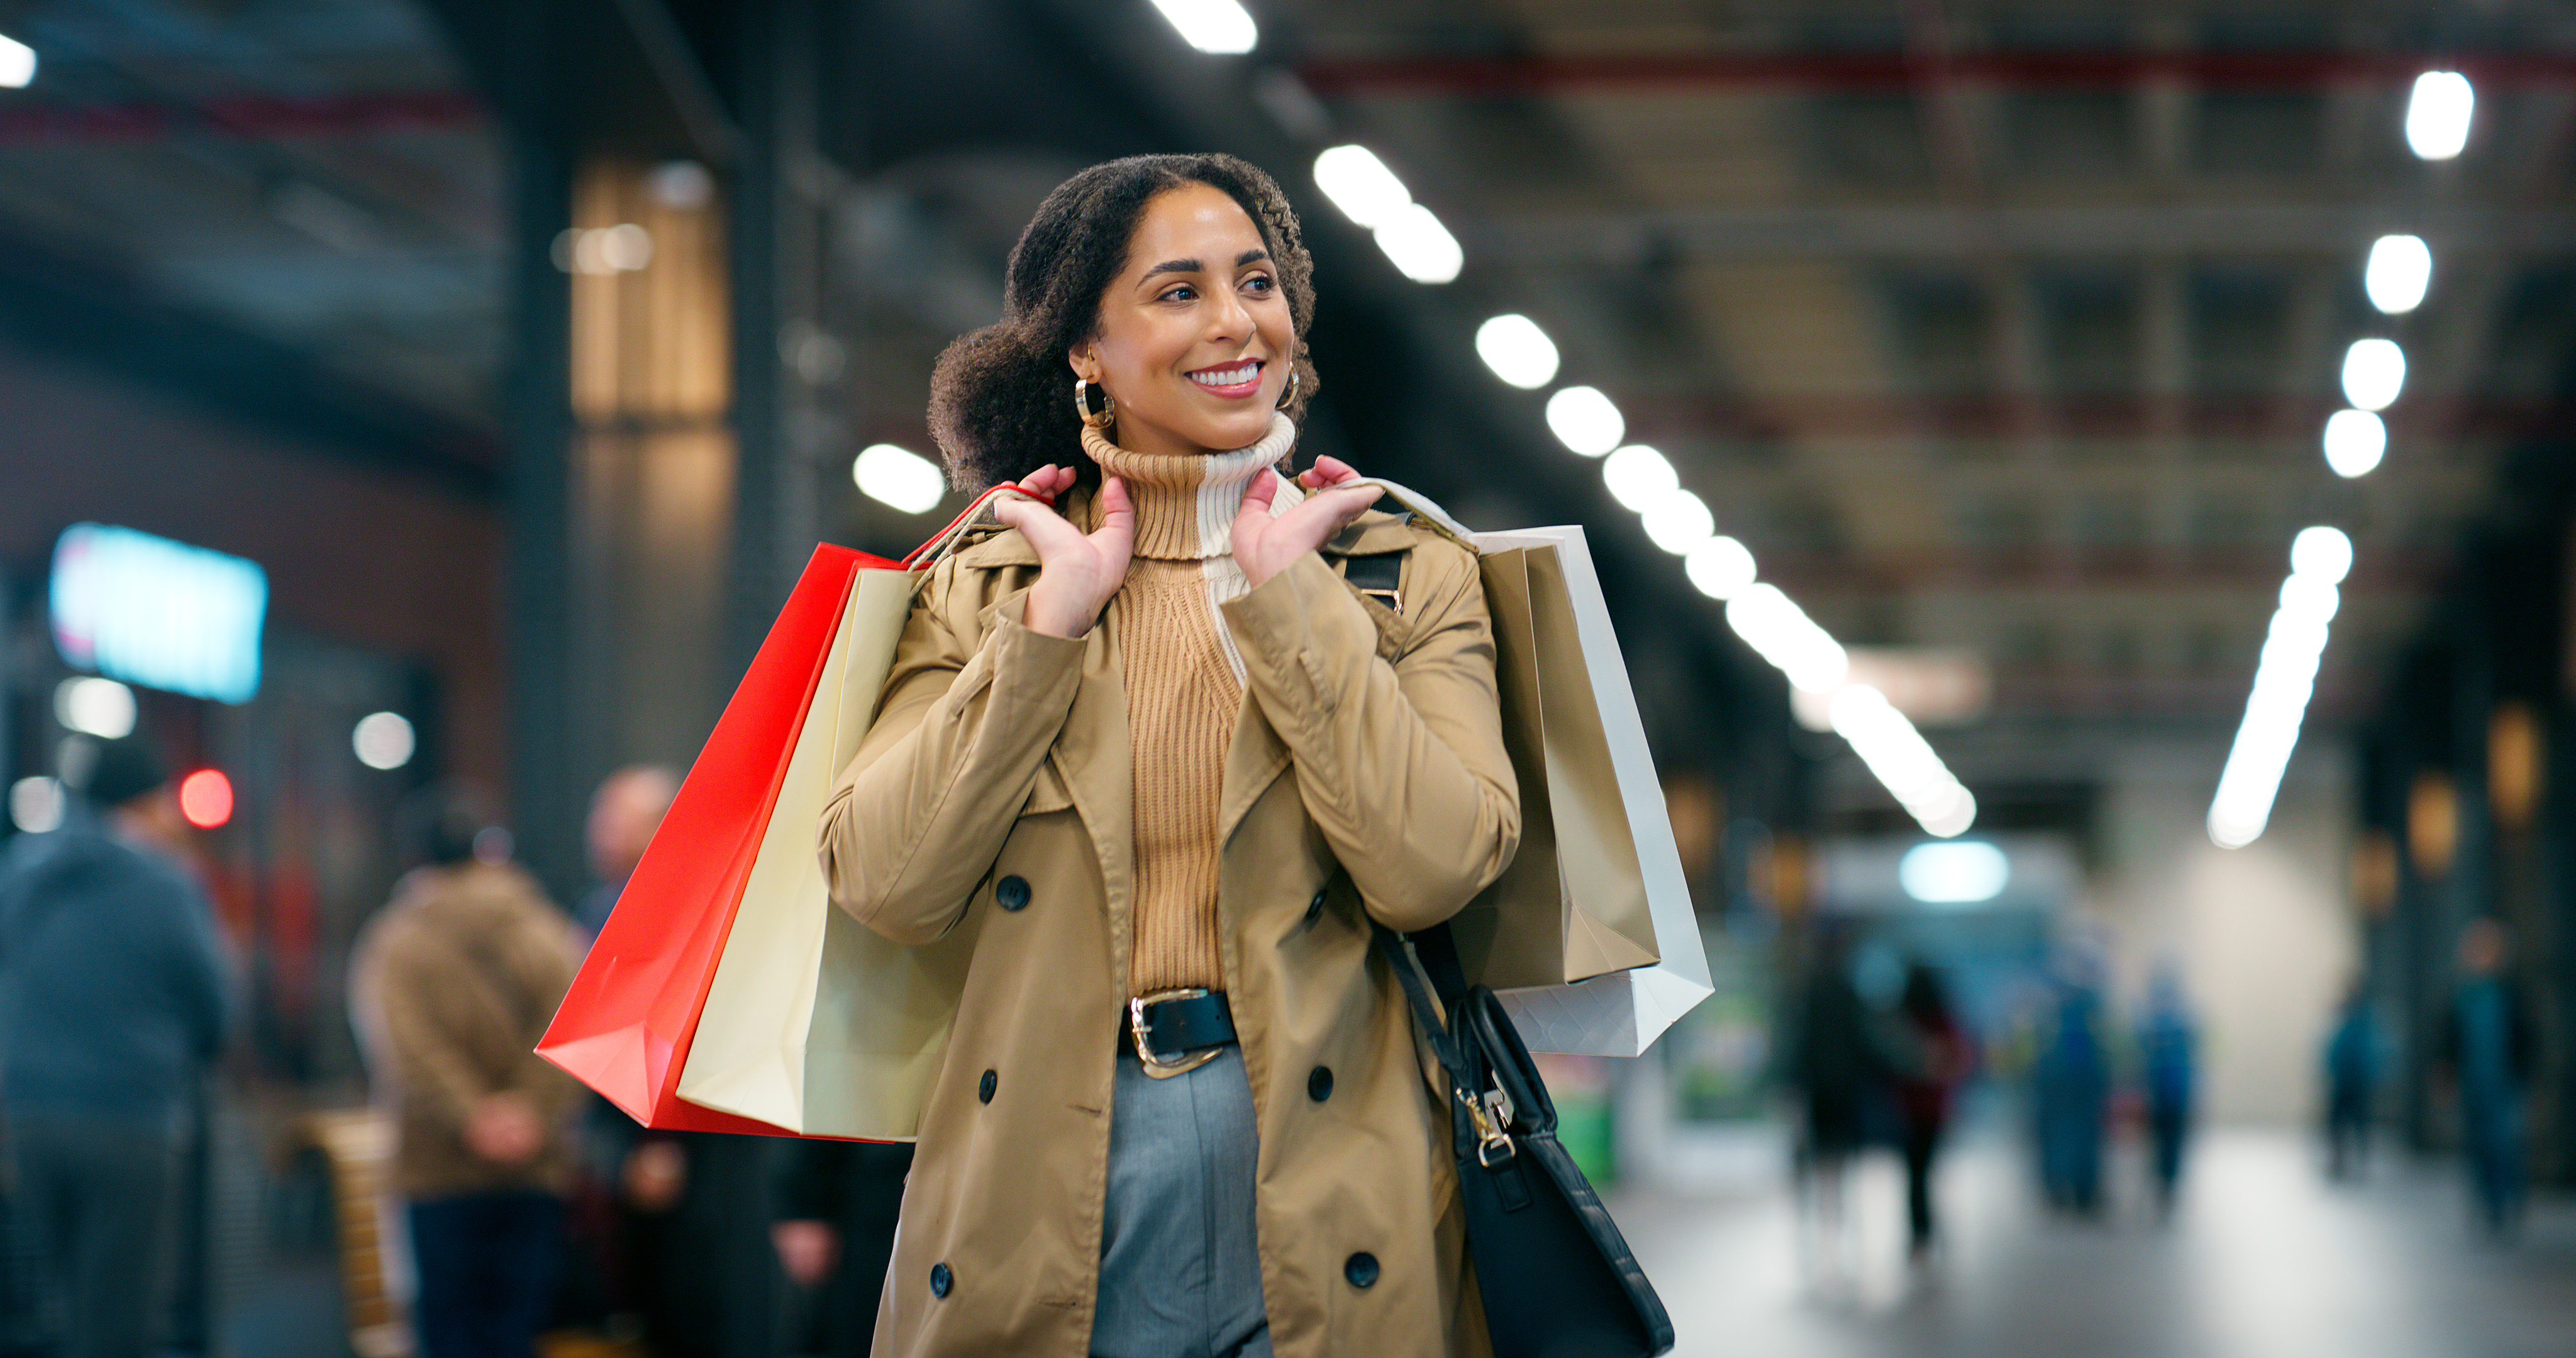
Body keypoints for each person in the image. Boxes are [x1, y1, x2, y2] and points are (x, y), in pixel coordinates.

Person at [819, 154, 1521, 1358]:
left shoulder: (1405, 570)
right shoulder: (987, 584)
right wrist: (1046, 632)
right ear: (1084, 348)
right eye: (1178, 291)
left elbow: (1435, 869)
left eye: (1256, 281)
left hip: (1332, 1157)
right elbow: (885, 877)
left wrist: (1294, 606)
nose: (1236, 321)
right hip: (1048, 1163)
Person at [0, 736, 228, 1358]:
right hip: (130, 1116)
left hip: (31, 1117)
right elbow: (214, 1007)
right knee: (121, 1315)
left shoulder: (21, 870)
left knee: (64, 1301)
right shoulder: (165, 883)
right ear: (148, 800)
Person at [350, 790, 584, 1358]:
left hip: (438, 1168)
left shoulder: (396, 941)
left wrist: (473, 1116)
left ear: (414, 860)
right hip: (536, 1165)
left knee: (448, 1329)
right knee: (518, 1329)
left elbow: (404, 1048)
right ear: (486, 854)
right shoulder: (546, 929)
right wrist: (530, 1113)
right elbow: (577, 1025)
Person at [2434, 919, 2536, 1237]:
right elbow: (2448, 1041)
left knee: (2506, 1146)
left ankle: (2507, 1202)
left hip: (2505, 1084)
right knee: (2479, 1146)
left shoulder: (2511, 993)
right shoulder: (2461, 995)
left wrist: (2530, 1078)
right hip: (2474, 1085)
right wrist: (2445, 1075)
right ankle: (2488, 1204)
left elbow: (2527, 1039)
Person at [1892, 963, 1969, 1261]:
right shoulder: (1944, 1018)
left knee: (1914, 1175)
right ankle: (1933, 1231)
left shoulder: (1901, 1019)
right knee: (1931, 1172)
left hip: (1906, 1108)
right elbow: (1962, 1059)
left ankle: (1919, 1235)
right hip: (1936, 1107)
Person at [2034, 978, 2108, 1216]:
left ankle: (2061, 1189)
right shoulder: (2093, 1009)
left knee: (2062, 1137)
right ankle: (2082, 1192)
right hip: (2082, 1082)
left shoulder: (2052, 1010)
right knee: (2084, 1137)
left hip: (2060, 1083)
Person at [2136, 966, 2197, 1217]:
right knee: (2171, 1143)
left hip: (2160, 1095)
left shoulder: (2148, 1022)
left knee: (2161, 1142)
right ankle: (2167, 1186)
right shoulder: (2187, 1020)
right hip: (2173, 1094)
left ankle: (2163, 1184)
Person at [2323, 979, 2379, 1180]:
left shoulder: (2364, 1017)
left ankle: (2359, 1160)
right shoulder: (2344, 1015)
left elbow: (2366, 1049)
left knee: (2358, 1122)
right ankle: (2340, 1159)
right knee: (2337, 1121)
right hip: (2342, 1077)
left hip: (2357, 1078)